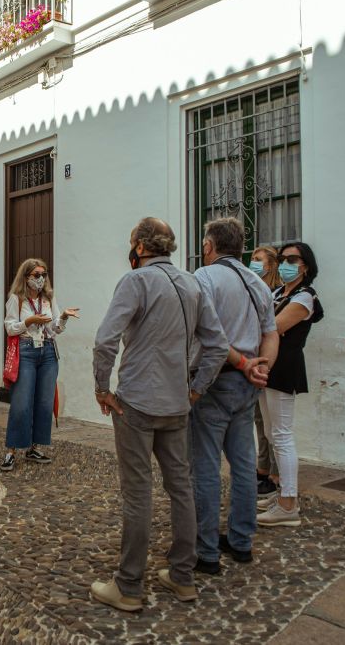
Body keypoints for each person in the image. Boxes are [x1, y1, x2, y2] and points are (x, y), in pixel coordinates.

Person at [89, 218, 228, 611]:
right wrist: (196, 389)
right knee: (180, 487)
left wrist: (101, 387)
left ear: (139, 246)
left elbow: (105, 340)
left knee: (138, 492)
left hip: (136, 401)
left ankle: (128, 585)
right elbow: (217, 345)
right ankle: (182, 576)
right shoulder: (193, 284)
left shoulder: (135, 281)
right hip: (177, 402)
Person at [190, 218, 279, 574]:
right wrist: (262, 368)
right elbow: (271, 334)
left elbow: (210, 335)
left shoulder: (204, 277)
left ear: (209, 246)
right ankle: (241, 541)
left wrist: (244, 364)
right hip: (247, 385)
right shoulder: (258, 283)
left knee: (206, 466)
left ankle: (206, 550)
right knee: (243, 464)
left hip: (217, 380)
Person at [256, 241, 324, 528]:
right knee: (271, 433)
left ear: (305, 266)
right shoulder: (277, 293)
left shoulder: (305, 297)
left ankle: (288, 504)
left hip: (284, 369)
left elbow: (273, 326)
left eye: (293, 260)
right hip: (268, 366)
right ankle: (283, 492)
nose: (286, 264)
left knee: (282, 434)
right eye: (283, 259)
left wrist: (264, 326)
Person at [0, 258, 79, 472]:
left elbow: (54, 329)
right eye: (36, 275)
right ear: (26, 277)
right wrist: (29, 321)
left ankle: (34, 448)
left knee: (44, 403)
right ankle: (11, 451)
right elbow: (9, 328)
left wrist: (63, 317)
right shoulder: (16, 299)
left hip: (48, 352)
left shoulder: (48, 299)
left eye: (44, 274)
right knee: (21, 402)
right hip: (26, 350)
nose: (41, 278)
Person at [249, 245, 283, 499]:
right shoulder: (254, 289)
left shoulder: (276, 294)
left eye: (258, 259)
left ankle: (275, 474)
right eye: (252, 258)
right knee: (260, 420)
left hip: (270, 363)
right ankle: (263, 467)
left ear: (270, 265)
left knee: (272, 423)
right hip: (254, 362)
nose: (253, 262)